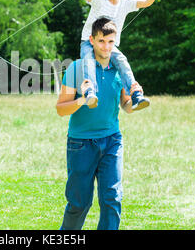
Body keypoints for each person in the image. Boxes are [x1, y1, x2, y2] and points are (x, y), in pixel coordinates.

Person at [56, 17, 144, 230]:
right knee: (79, 203)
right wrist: (81, 100)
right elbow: (60, 108)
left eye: (111, 42)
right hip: (80, 143)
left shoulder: (119, 70)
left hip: (111, 140)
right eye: (102, 41)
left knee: (112, 198)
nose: (106, 47)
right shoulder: (77, 69)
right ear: (92, 41)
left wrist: (134, 99)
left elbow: (126, 106)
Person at [79, 0, 166, 110]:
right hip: (89, 43)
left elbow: (146, 2)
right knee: (88, 61)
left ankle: (135, 94)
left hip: (110, 46)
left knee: (122, 61)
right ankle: (90, 92)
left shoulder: (125, 3)